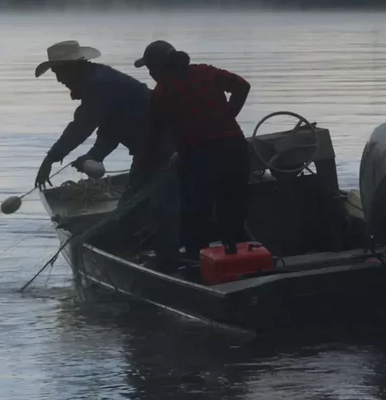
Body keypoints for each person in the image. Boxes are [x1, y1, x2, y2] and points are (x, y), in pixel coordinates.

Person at [136, 40, 252, 263]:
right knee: (233, 212)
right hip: (235, 150)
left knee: (195, 215)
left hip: (199, 157)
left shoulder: (162, 92)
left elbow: (155, 135)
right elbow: (242, 85)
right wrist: (228, 116)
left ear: (160, 67)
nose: (150, 74)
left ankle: (196, 266)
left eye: (150, 69)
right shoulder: (206, 72)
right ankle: (241, 261)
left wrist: (144, 165)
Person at [34, 40, 170, 196]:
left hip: (162, 146)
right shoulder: (98, 79)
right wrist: (95, 155)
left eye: (58, 73)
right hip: (153, 147)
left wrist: (50, 159)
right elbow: (113, 127)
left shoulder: (98, 84)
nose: (59, 79)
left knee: (139, 197)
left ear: (72, 68)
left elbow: (82, 126)